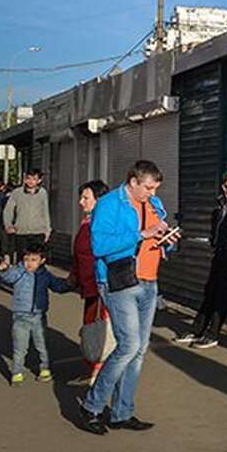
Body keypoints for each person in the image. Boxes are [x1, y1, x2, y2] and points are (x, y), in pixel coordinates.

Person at [78, 160, 177, 435]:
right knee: (129, 345)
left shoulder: (153, 204)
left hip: (149, 281)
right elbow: (100, 245)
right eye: (148, 187)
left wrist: (168, 239)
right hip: (118, 281)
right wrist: (140, 234)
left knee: (139, 350)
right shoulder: (109, 204)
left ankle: (122, 412)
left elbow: (159, 233)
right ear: (133, 182)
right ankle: (91, 406)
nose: (152, 193)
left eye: (156, 188)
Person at [174, 171, 227, 349]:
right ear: (224, 187)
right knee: (210, 291)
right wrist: (213, 243)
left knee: (223, 294)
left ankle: (213, 333)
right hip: (219, 252)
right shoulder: (220, 203)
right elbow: (215, 225)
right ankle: (197, 329)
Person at [0, 243, 72, 385]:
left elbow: (58, 285)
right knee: (20, 348)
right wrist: (4, 269)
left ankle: (45, 370)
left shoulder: (46, 275)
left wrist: (69, 284)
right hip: (20, 317)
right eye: (26, 259)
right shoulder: (19, 272)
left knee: (42, 345)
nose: (29, 263)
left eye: (33, 260)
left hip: (39, 316)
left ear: (42, 260)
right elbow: (9, 276)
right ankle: (17, 373)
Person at [69, 180, 111, 385]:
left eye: (86, 198)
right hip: (88, 283)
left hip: (100, 284)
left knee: (98, 327)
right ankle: (93, 369)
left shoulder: (103, 223)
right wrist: (74, 274)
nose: (80, 202)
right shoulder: (87, 221)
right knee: (91, 325)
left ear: (99, 200)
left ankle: (96, 372)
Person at [3, 168, 51, 262]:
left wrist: (47, 230)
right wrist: (8, 225)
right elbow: (8, 210)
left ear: (39, 180)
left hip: (38, 232)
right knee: (23, 259)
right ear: (24, 179)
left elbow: (45, 212)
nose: (30, 181)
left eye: (34, 179)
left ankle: (35, 276)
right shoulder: (17, 193)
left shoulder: (42, 193)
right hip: (21, 232)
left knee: (36, 260)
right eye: (28, 178)